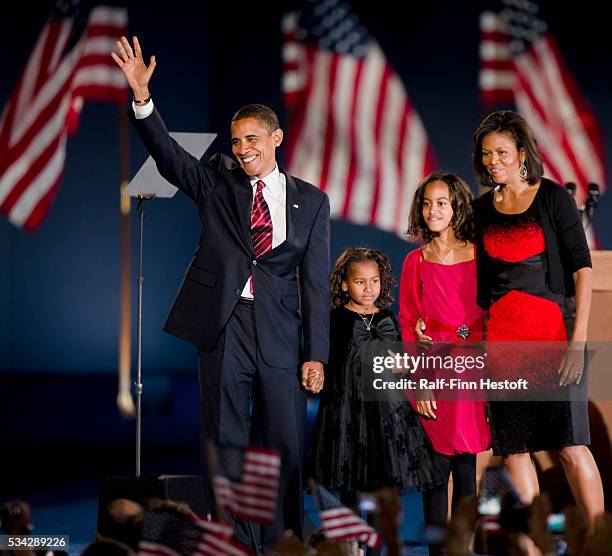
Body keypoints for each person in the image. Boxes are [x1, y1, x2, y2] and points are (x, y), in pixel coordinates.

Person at [111, 36, 331, 548]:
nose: (243, 148)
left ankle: (283, 543)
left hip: (280, 330)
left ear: (276, 138)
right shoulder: (216, 181)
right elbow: (170, 160)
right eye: (236, 141)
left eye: (253, 138)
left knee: (284, 445)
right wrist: (143, 100)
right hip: (224, 324)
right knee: (225, 442)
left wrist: (316, 353)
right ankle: (230, 542)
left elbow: (316, 285)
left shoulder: (312, 201)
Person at [472, 110, 604, 528]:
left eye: (502, 152)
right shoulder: (480, 211)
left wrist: (578, 342)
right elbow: (475, 284)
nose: (494, 160)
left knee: (571, 446)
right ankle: (537, 544)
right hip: (502, 345)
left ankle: (600, 538)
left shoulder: (552, 197)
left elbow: (582, 269)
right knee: (514, 449)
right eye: (487, 154)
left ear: (523, 153)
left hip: (554, 337)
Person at [399, 172, 491, 555]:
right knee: (434, 474)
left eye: (442, 203)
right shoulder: (415, 261)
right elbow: (406, 321)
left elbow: (489, 313)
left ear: (457, 208)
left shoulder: (479, 255)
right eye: (427, 203)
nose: (433, 210)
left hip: (470, 371)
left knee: (467, 470)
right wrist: (418, 382)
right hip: (431, 373)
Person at [307, 248, 440, 509]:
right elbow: (327, 361)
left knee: (383, 487)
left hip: (385, 416)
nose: (369, 288)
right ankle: (353, 546)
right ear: (345, 285)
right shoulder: (335, 319)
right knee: (351, 484)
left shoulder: (389, 318)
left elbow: (401, 365)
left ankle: (379, 546)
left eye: (375, 281)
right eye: (360, 282)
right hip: (348, 413)